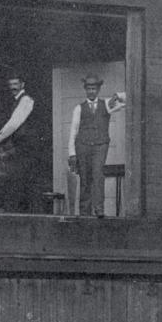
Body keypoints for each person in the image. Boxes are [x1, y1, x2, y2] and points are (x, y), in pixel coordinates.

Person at [0, 75, 47, 212]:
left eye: (16, 84)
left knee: (25, 181)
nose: (13, 87)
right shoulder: (16, 101)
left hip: (29, 148)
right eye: (10, 84)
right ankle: (24, 212)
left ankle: (30, 214)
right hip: (22, 147)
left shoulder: (26, 100)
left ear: (22, 84)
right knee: (23, 181)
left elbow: (14, 123)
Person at [67, 75, 125, 217]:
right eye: (89, 89)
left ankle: (99, 209)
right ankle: (84, 212)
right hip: (83, 146)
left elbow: (126, 101)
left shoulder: (106, 104)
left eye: (94, 88)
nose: (91, 91)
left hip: (100, 146)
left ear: (98, 89)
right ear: (85, 90)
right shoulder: (78, 108)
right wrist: (72, 153)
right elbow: (73, 131)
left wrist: (117, 95)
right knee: (85, 178)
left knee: (98, 176)